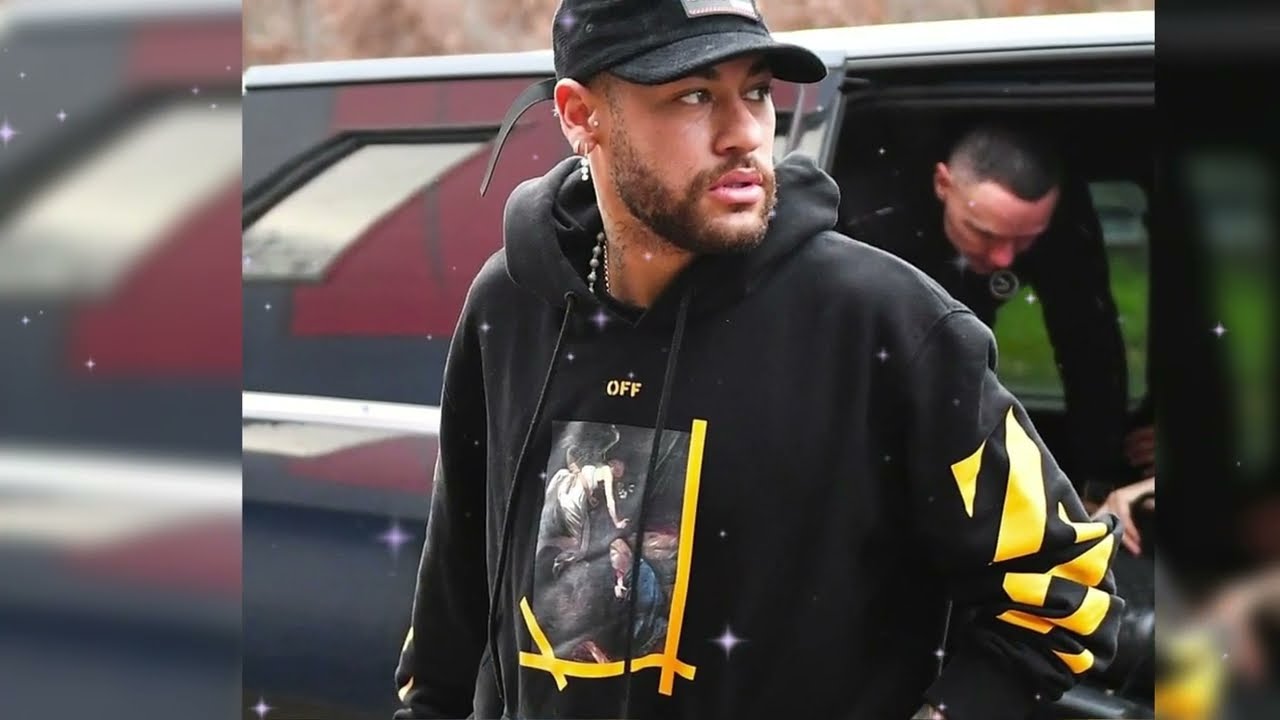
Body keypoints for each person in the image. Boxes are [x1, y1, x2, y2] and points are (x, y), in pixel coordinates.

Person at [394, 2, 1126, 719]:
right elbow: (454, 596)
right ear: (581, 115)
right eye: (693, 96)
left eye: (756, 91)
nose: (744, 133)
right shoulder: (511, 303)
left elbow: (1067, 591)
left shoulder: (886, 321)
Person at [844, 123, 1132, 509]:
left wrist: (1098, 480)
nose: (1003, 259)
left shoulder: (1059, 221)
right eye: (984, 234)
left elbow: (1090, 344)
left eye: (1025, 240)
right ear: (943, 183)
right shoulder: (863, 224)